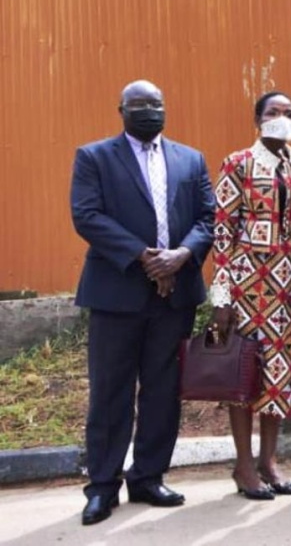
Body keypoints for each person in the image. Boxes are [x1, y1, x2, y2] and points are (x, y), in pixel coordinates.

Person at [69, 80, 214, 526]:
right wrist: (144, 257)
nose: (149, 111)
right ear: (122, 110)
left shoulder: (190, 159)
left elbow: (208, 217)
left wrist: (182, 255)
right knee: (111, 393)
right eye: (139, 105)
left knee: (163, 391)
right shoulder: (93, 157)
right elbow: (87, 215)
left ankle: (149, 476)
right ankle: (103, 486)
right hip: (117, 293)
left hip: (175, 299)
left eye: (156, 104)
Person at [208, 91, 291, 499]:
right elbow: (222, 231)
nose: (282, 119)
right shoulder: (239, 164)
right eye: (273, 112)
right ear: (257, 118)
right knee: (246, 373)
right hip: (247, 286)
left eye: (288, 114)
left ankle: (270, 461)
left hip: (288, 288)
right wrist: (221, 297)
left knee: (280, 377)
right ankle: (243, 464)